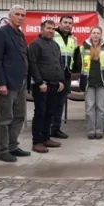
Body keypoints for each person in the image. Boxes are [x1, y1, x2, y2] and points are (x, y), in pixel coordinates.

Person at [0, 5, 30, 162]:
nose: (20, 17)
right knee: (5, 118)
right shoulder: (1, 33)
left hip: (21, 81)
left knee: (19, 116)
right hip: (8, 83)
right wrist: (1, 83)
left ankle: (13, 146)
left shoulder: (20, 34)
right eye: (17, 14)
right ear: (10, 16)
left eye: (23, 15)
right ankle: (2, 150)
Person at [28, 20, 65, 153]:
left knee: (50, 112)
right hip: (42, 85)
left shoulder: (55, 45)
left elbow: (59, 63)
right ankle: (37, 142)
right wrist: (39, 82)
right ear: (42, 29)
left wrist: (61, 80)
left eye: (53, 29)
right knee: (40, 112)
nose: (51, 31)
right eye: (48, 28)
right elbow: (32, 64)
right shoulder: (35, 44)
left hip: (54, 84)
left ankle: (46, 138)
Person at [78, 26, 104, 140]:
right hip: (88, 82)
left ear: (101, 35)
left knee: (101, 109)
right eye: (94, 33)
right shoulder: (82, 48)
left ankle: (99, 130)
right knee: (89, 108)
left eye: (98, 33)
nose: (96, 35)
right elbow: (78, 65)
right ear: (90, 34)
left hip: (102, 82)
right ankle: (91, 131)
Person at [51, 15, 76, 139]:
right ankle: (46, 128)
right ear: (59, 23)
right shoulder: (53, 36)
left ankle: (56, 128)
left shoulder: (73, 39)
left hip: (66, 75)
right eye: (65, 22)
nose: (67, 25)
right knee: (51, 103)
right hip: (53, 75)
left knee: (60, 103)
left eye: (70, 23)